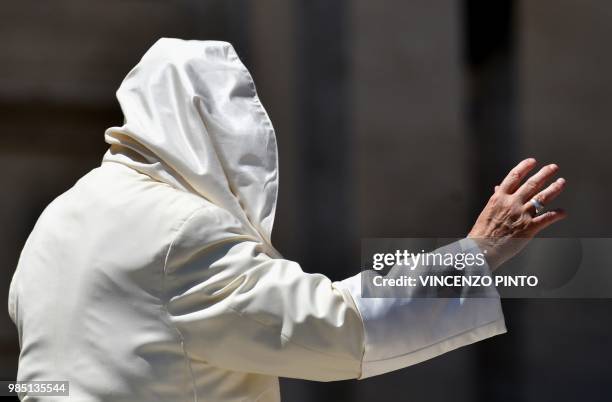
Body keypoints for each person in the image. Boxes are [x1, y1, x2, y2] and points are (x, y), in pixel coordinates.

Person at [8, 38, 566, 402]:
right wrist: (479, 252)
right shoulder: (180, 233)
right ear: (212, 126)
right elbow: (342, 329)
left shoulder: (59, 216)